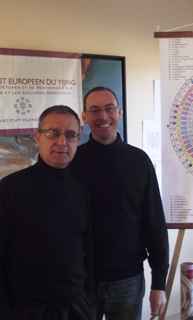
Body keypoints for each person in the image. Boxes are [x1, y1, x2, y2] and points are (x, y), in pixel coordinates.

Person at [0, 105, 94, 320]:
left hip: (76, 309)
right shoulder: (10, 189)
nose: (62, 142)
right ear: (37, 137)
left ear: (78, 139)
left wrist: (89, 301)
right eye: (53, 133)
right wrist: (4, 314)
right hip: (27, 312)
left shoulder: (81, 192)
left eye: (70, 135)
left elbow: (88, 255)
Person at [69, 87, 169, 320]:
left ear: (119, 112)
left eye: (109, 108)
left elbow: (154, 225)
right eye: (94, 110)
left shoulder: (139, 162)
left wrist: (159, 283)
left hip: (128, 280)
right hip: (82, 280)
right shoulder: (72, 162)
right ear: (84, 117)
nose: (103, 116)